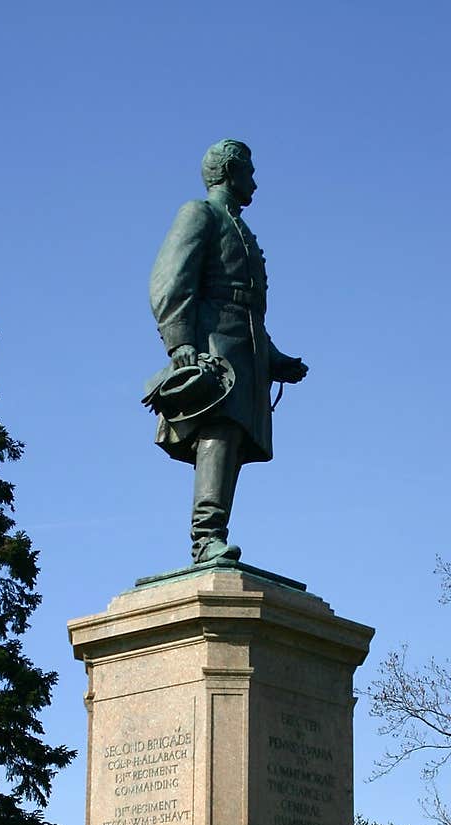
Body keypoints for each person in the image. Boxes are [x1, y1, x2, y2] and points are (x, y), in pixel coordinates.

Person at [147, 139, 308, 565]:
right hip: (213, 350)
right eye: (249, 171)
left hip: (246, 350)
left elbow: (249, 309)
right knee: (218, 433)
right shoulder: (199, 213)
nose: (254, 181)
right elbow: (169, 281)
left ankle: (212, 534)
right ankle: (206, 538)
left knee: (231, 441)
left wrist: (274, 360)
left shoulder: (241, 229)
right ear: (229, 172)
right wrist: (180, 342)